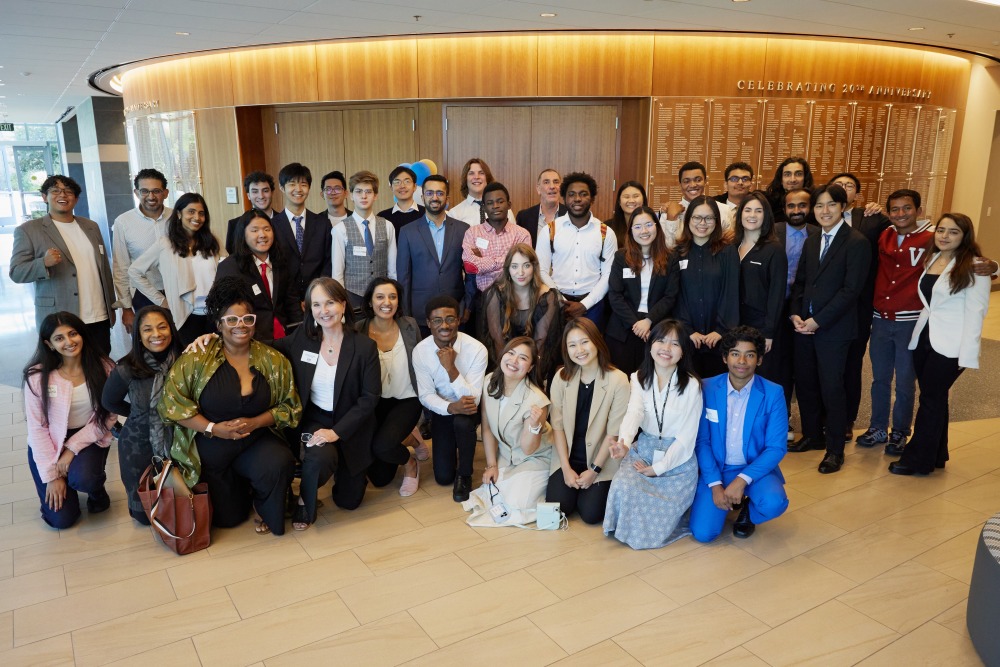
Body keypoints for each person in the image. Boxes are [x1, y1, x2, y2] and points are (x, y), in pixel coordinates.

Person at [158, 277, 301, 535]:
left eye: (247, 319)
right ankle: (239, 491)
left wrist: (257, 421)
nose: (241, 326)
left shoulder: (273, 360)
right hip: (212, 446)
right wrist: (213, 428)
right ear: (219, 325)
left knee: (279, 462)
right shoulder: (197, 357)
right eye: (232, 320)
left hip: (256, 439)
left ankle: (263, 501)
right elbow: (172, 404)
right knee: (229, 519)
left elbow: (290, 407)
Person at [270, 278, 380, 527]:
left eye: (330, 302)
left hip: (352, 424)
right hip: (316, 418)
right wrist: (218, 339)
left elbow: (369, 398)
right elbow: (266, 348)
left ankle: (348, 469)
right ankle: (304, 501)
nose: (324, 311)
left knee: (348, 501)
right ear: (309, 309)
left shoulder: (364, 347)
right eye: (316, 305)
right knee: (318, 459)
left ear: (343, 304)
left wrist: (337, 432)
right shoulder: (302, 339)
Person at [889, 214, 991, 476]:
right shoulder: (933, 258)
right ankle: (937, 454)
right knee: (936, 398)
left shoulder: (975, 266)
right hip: (925, 337)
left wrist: (966, 355)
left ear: (964, 236)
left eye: (953, 232)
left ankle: (918, 460)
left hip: (952, 344)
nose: (944, 236)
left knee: (931, 399)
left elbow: (976, 312)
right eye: (941, 230)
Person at [788, 184, 871, 474]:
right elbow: (801, 282)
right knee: (807, 383)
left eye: (831, 205)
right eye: (819, 206)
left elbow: (851, 291)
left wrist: (818, 320)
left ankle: (834, 450)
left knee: (832, 388)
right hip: (804, 326)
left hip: (833, 329)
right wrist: (796, 315)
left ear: (843, 207)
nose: (824, 211)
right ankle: (812, 435)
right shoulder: (813, 239)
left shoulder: (856, 242)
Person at [603, 319, 703, 549]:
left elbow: (687, 436)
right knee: (624, 485)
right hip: (645, 449)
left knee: (661, 501)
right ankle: (627, 529)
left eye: (675, 344)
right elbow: (634, 412)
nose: (666, 349)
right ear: (650, 345)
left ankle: (644, 532)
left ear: (683, 352)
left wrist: (659, 468)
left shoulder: (692, 386)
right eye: (661, 341)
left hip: (678, 458)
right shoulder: (638, 377)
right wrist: (625, 443)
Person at [690, 326, 788, 542]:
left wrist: (742, 480)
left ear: (759, 360)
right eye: (735, 354)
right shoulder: (705, 387)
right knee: (704, 534)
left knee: (774, 504)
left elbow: (776, 447)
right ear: (725, 358)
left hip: (754, 469)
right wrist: (715, 485)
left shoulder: (773, 393)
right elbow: (702, 442)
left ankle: (747, 511)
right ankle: (725, 502)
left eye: (749, 355)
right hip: (717, 468)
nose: (742, 361)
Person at [24, 312, 116, 529]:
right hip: (48, 441)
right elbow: (37, 429)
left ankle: (94, 489)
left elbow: (108, 416)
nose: (69, 342)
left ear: (82, 334)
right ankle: (66, 479)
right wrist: (52, 476)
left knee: (84, 478)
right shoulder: (37, 377)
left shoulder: (104, 367)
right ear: (49, 344)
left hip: (89, 435)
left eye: (73, 333)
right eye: (59, 338)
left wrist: (71, 449)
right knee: (61, 520)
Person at [856, 189, 931, 453]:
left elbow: (961, 255)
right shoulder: (884, 235)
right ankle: (878, 427)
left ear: (918, 211)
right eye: (895, 209)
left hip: (909, 320)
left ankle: (899, 431)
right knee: (880, 378)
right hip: (880, 319)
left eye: (907, 208)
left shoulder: (931, 238)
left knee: (905, 380)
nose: (901, 214)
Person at [10, 175, 116, 356]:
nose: (63, 195)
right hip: (60, 319)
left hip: (99, 315)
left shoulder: (91, 226)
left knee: (101, 366)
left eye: (68, 191)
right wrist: (42, 263)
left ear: (75, 198)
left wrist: (113, 306)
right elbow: (16, 272)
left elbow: (104, 269)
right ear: (44, 197)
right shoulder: (29, 230)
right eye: (55, 191)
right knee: (65, 372)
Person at [101, 305, 182, 525]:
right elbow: (109, 401)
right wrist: (137, 414)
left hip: (182, 439)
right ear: (138, 334)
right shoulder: (127, 368)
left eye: (162, 327)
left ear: (172, 330)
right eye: (147, 329)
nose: (156, 334)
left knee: (184, 503)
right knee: (143, 516)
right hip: (139, 444)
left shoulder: (185, 362)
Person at [546, 318, 630, 524]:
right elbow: (556, 427)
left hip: (600, 458)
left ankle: (589, 486)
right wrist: (565, 468)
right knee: (559, 508)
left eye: (585, 342)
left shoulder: (618, 379)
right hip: (567, 455)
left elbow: (613, 433)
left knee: (591, 515)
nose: (579, 350)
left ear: (597, 342)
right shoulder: (561, 377)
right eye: (572, 345)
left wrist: (594, 471)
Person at [829, 173, 891, 441]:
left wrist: (882, 210)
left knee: (851, 363)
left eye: (849, 186)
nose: (843, 189)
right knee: (827, 365)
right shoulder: (819, 218)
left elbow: (900, 232)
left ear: (857, 194)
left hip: (857, 305)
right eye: (838, 185)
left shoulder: (870, 219)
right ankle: (826, 414)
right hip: (823, 308)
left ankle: (846, 419)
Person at [466, 337, 552, 526]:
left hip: (535, 457)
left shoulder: (537, 400)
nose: (514, 361)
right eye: (511, 353)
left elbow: (529, 449)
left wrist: (534, 425)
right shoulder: (490, 381)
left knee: (517, 505)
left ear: (529, 367)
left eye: (522, 358)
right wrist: (491, 465)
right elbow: (487, 428)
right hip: (507, 454)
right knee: (494, 491)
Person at [412, 295, 488, 502]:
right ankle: (451, 456)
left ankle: (465, 473)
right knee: (443, 477)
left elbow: (473, 398)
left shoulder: (477, 349)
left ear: (458, 320)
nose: (444, 325)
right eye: (437, 320)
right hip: (442, 410)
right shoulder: (421, 351)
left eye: (450, 319)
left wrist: (451, 368)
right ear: (428, 323)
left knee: (463, 424)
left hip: (469, 410)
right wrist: (450, 407)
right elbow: (426, 395)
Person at [356, 278, 427, 496]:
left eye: (392, 297)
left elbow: (421, 361)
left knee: (383, 447)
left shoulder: (409, 325)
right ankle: (411, 438)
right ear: (369, 302)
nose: (387, 302)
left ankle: (410, 463)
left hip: (407, 398)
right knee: (380, 478)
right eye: (380, 297)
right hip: (376, 401)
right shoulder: (357, 330)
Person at [128, 192, 224, 347]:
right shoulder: (166, 244)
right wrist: (162, 301)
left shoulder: (212, 242)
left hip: (215, 314)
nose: (197, 217)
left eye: (201, 213)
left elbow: (225, 272)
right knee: (190, 362)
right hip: (185, 316)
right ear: (179, 214)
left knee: (215, 361)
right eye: (191, 212)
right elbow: (134, 272)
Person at [606, 206, 679, 376]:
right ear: (631, 231)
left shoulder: (671, 258)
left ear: (656, 226)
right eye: (637, 227)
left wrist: (648, 320)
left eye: (648, 225)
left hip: (656, 329)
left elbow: (670, 296)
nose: (644, 231)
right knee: (621, 381)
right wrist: (635, 324)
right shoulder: (621, 257)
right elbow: (615, 295)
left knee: (650, 380)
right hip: (623, 329)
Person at [537, 172, 618, 324]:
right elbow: (541, 270)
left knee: (591, 347)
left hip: (593, 305)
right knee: (556, 346)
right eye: (571, 194)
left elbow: (608, 275)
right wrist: (560, 300)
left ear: (592, 198)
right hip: (556, 302)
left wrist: (584, 304)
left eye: (583, 194)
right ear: (565, 198)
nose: (577, 199)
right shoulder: (549, 230)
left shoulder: (606, 233)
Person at [673, 195, 739, 379]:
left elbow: (731, 293)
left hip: (718, 340)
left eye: (709, 218)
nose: (703, 223)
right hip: (687, 339)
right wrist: (687, 330)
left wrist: (720, 331)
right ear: (688, 220)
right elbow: (676, 296)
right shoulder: (677, 252)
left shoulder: (727, 251)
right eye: (697, 217)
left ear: (717, 221)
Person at [397, 175, 469, 336]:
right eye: (429, 193)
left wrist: (466, 306)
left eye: (439, 193)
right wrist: (406, 314)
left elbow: (471, 274)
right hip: (420, 314)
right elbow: (404, 277)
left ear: (447, 197)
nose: (434, 197)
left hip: (454, 313)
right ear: (422, 197)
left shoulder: (463, 229)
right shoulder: (407, 232)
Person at [215, 209, 302, 340]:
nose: (262, 235)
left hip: (284, 337)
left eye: (267, 229)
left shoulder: (280, 262)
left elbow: (291, 302)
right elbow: (225, 311)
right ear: (243, 234)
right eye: (254, 230)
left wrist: (300, 333)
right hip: (249, 339)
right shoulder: (229, 267)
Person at [482, 243, 562, 382]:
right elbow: (497, 340)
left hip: (532, 362)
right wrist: (508, 372)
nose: (520, 273)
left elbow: (540, 342)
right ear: (508, 269)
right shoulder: (496, 294)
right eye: (515, 266)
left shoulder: (547, 296)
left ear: (534, 267)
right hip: (503, 361)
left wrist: (528, 375)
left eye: (526, 265)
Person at [773, 189, 819, 433]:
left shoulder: (818, 234)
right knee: (778, 366)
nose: (797, 210)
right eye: (791, 206)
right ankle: (783, 419)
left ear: (809, 207)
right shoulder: (773, 231)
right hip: (775, 308)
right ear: (785, 208)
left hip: (805, 311)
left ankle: (811, 426)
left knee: (803, 367)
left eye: (802, 205)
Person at [734, 192, 787, 382]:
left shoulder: (773, 249)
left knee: (762, 377)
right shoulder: (732, 246)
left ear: (766, 216)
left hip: (761, 326)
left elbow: (777, 294)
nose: (752, 215)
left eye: (758, 211)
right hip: (735, 323)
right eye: (747, 210)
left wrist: (769, 332)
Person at [111, 168, 172, 333]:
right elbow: (121, 267)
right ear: (136, 192)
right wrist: (126, 309)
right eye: (144, 191)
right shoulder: (123, 222)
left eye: (156, 191)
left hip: (176, 291)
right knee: (149, 344)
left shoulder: (177, 217)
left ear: (165, 193)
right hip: (142, 294)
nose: (151, 197)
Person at [332, 170, 398, 307]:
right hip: (352, 295)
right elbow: (337, 273)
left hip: (382, 295)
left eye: (368, 192)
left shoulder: (387, 226)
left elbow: (392, 269)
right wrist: (340, 302)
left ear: (375, 196)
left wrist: (393, 294)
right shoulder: (340, 229)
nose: (363, 196)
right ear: (350, 196)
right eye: (359, 191)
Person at [271, 163, 333, 300]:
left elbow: (329, 262)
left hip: (318, 296)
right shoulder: (272, 226)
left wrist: (316, 291)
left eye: (303, 184)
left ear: (309, 188)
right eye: (292, 184)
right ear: (282, 188)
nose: (298, 189)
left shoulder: (323, 223)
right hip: (285, 298)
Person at [448, 158, 515, 227]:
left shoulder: (504, 209)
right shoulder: (454, 214)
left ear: (487, 178)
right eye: (471, 173)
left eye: (481, 173)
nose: (476, 177)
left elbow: (514, 234)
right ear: (465, 179)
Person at [226, 172, 275, 255]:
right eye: (255, 192)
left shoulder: (285, 221)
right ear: (248, 195)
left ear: (272, 193)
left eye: (265, 191)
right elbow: (234, 255)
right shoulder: (235, 224)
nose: (261, 196)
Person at [515, 168, 566, 250]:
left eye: (556, 182)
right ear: (538, 189)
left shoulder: (570, 215)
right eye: (546, 182)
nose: (552, 186)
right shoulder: (524, 217)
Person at [660, 161, 708, 244]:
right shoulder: (667, 214)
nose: (693, 185)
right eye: (686, 181)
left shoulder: (722, 210)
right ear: (680, 185)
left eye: (698, 180)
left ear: (705, 181)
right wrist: (671, 219)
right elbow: (667, 247)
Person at [377, 165, 425, 235]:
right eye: (397, 182)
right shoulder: (382, 217)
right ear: (391, 187)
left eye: (407, 181)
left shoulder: (426, 214)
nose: (402, 186)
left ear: (414, 186)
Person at [765, 157, 813, 223]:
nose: (792, 180)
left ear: (805, 178)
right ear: (781, 180)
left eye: (798, 174)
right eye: (787, 174)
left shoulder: (814, 202)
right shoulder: (769, 203)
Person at [605, 181, 648, 248]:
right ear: (619, 201)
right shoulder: (608, 227)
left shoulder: (651, 226)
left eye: (636, 196)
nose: (631, 201)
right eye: (626, 197)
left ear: (643, 200)